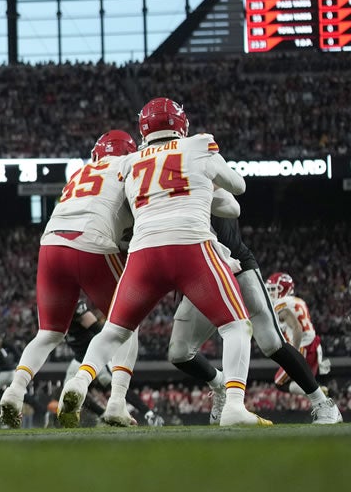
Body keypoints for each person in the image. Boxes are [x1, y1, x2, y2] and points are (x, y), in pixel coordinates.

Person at [58, 97, 268, 427]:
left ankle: (80, 381)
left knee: (113, 332)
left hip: (144, 252)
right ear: (181, 125)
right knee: (236, 326)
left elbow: (120, 216)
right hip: (190, 246)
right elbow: (238, 188)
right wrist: (205, 180)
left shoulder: (130, 162)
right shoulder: (200, 145)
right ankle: (234, 405)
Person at [0, 130, 143, 429]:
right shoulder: (129, 167)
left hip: (51, 246)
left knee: (48, 333)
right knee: (127, 326)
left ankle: (15, 389)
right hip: (93, 244)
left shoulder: (81, 172)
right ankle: (114, 401)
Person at [167, 202, 340, 424]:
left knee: (272, 342)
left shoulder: (206, 180)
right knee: (179, 353)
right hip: (201, 275)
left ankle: (322, 403)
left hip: (236, 266)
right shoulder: (167, 193)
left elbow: (227, 227)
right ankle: (220, 385)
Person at [267, 273, 336, 411]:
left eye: (274, 289)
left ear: (284, 289)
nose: (270, 292)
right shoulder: (298, 301)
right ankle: (328, 407)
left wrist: (293, 353)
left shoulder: (282, 303)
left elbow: (297, 328)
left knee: (279, 382)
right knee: (302, 381)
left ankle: (321, 395)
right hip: (313, 346)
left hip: (303, 347)